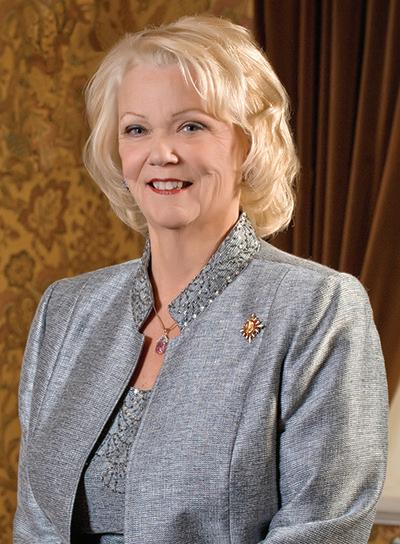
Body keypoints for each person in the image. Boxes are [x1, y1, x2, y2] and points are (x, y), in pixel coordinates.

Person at [13, 14, 387, 544]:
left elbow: (322, 527)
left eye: (191, 126)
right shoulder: (67, 310)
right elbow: (36, 524)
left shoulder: (319, 307)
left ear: (248, 144)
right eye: (136, 129)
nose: (161, 154)